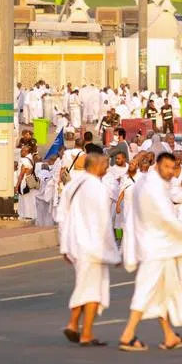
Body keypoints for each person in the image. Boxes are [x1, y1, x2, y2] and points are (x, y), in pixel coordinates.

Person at [117, 151, 182, 352]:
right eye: (166, 167)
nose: (170, 171)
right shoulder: (150, 187)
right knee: (145, 290)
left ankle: (169, 335)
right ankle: (127, 334)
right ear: (157, 166)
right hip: (154, 248)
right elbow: (164, 218)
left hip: (161, 248)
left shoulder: (154, 185)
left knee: (164, 292)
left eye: (172, 168)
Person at [57, 148, 119, 347]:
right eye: (105, 165)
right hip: (93, 245)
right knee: (93, 290)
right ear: (97, 166)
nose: (107, 168)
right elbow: (103, 223)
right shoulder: (97, 188)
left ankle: (75, 325)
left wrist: (65, 246)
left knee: (86, 285)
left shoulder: (72, 185)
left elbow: (61, 217)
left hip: (75, 244)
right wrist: (113, 253)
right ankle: (84, 332)